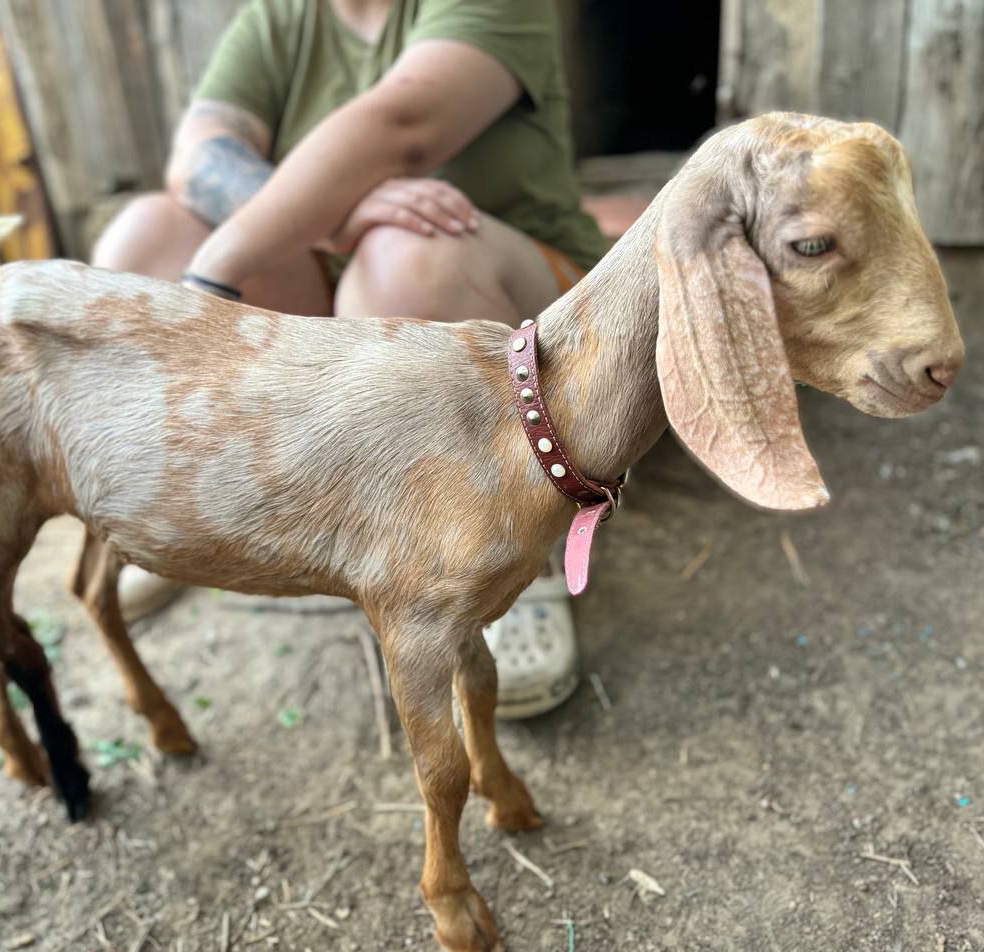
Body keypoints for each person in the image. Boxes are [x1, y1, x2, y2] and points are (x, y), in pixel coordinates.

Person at [93, 0, 632, 718]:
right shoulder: (282, 19)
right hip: (351, 287)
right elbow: (197, 159)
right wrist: (343, 211)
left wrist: (213, 276)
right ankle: (206, 507)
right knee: (146, 237)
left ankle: (509, 561)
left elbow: (404, 125)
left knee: (406, 260)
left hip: (532, 317)